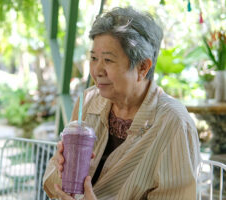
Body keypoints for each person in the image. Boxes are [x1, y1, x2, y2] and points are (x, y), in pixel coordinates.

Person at [43, 6, 200, 200]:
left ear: (143, 67)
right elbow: (51, 185)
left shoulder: (173, 123)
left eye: (108, 60)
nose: (97, 70)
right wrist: (61, 170)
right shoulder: (89, 101)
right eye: (93, 58)